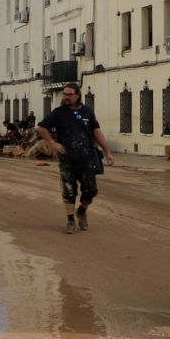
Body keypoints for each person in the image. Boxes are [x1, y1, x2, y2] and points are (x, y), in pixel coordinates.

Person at [36, 83, 114, 233]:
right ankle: (70, 220)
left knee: (91, 190)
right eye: (64, 94)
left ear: (77, 95)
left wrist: (107, 151)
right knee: (69, 191)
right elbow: (41, 127)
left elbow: (96, 131)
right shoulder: (58, 113)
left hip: (86, 158)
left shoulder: (87, 112)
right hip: (67, 159)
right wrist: (53, 143)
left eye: (69, 94)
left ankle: (82, 210)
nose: (66, 97)